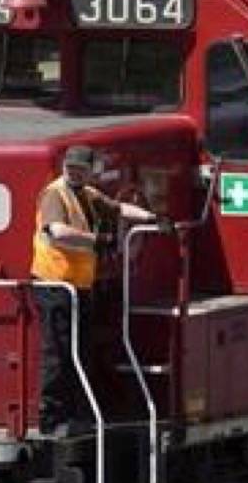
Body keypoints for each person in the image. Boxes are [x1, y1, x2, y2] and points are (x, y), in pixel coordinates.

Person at [30, 145, 170, 437]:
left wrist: (152, 219)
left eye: (80, 167)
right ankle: (51, 419)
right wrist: (97, 240)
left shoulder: (89, 195)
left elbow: (118, 208)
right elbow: (56, 232)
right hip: (55, 285)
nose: (74, 171)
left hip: (76, 287)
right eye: (70, 166)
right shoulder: (55, 194)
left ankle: (76, 413)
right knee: (58, 353)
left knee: (77, 351)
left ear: (91, 169)